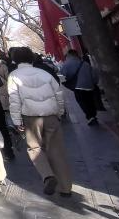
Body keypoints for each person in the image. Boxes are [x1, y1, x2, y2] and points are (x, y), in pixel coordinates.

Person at [8, 47, 72, 196]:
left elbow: (14, 101)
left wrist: (17, 121)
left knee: (34, 147)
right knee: (56, 150)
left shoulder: (14, 76)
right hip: (51, 114)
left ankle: (48, 176)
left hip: (30, 116)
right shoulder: (44, 73)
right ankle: (66, 188)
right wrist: (59, 112)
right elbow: (58, 94)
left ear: (15, 60)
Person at [60, 50, 98, 126]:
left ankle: (90, 117)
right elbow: (94, 75)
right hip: (89, 86)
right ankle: (93, 115)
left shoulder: (67, 64)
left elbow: (63, 74)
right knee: (90, 101)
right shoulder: (85, 63)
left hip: (78, 87)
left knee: (82, 102)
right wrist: (94, 83)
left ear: (69, 55)